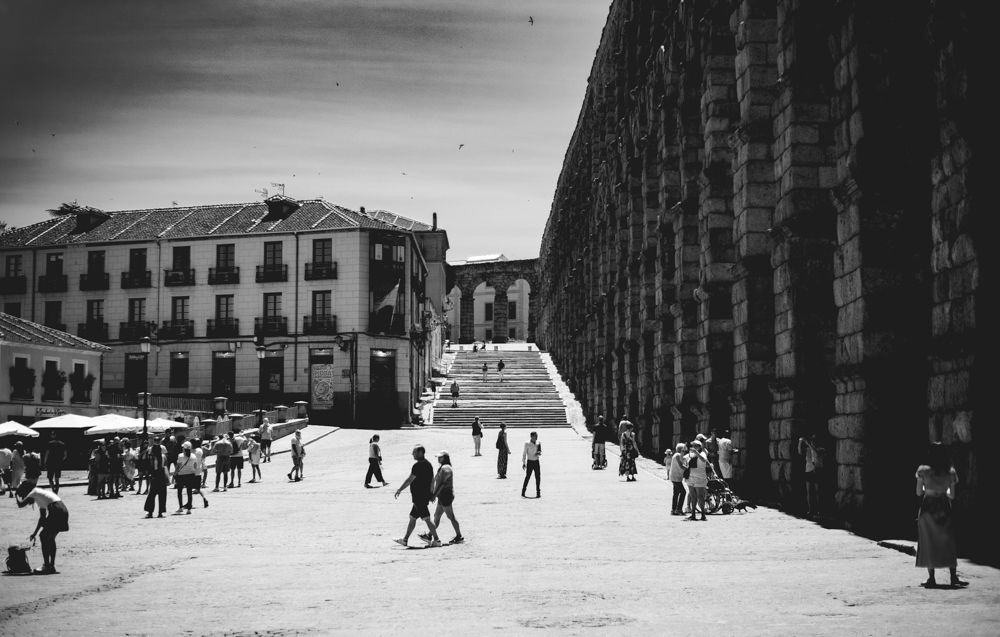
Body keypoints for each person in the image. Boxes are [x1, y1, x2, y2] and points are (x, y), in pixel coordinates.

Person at [915, 443, 967, 588]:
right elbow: (952, 496)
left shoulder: (922, 471)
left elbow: (919, 493)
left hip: (927, 508)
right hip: (944, 506)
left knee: (928, 541)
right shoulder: (950, 472)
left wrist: (927, 487)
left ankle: (931, 578)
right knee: (949, 541)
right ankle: (953, 576)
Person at [15, 482, 69, 574]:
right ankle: (51, 566)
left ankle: (47, 566)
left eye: (24, 495)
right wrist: (34, 533)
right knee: (50, 538)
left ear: (26, 491)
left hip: (55, 509)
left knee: (44, 537)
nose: (25, 497)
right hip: (63, 510)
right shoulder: (41, 495)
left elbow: (20, 505)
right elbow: (42, 518)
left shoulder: (34, 492)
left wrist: (16, 495)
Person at [393, 445, 441, 547]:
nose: (412, 454)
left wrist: (400, 489)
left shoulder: (418, 466)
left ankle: (437, 540)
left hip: (419, 497)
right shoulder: (429, 464)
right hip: (423, 496)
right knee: (412, 518)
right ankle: (405, 540)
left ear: (420, 453)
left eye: (414, 452)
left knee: (427, 519)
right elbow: (432, 481)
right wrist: (431, 494)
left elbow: (410, 480)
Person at [419, 451, 464, 544]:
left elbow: (442, 483)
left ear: (445, 458)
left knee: (450, 516)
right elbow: (439, 483)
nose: (438, 459)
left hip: (446, 495)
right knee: (437, 516)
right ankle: (429, 535)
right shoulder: (442, 468)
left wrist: (434, 495)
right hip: (442, 496)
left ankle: (459, 536)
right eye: (438, 457)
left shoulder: (445, 468)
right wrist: (435, 495)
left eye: (441, 457)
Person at [798, 432, 824, 516]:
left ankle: (820, 510)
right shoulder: (808, 449)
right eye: (812, 440)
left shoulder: (821, 449)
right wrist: (800, 442)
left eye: (814, 440)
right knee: (809, 491)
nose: (813, 442)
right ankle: (811, 510)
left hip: (818, 470)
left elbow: (816, 453)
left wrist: (809, 444)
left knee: (818, 491)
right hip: (809, 470)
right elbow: (800, 452)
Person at [684, 440, 710, 521]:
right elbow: (682, 460)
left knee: (700, 497)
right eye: (693, 445)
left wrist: (696, 453)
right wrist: (683, 450)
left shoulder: (702, 453)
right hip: (690, 478)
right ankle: (693, 514)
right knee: (693, 496)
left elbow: (703, 460)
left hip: (700, 478)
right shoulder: (690, 454)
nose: (694, 447)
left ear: (700, 446)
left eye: (696, 446)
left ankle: (703, 515)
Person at [143, 440, 169, 518]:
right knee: (162, 494)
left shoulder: (152, 458)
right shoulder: (163, 456)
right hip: (162, 476)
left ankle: (150, 511)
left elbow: (150, 467)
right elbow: (166, 464)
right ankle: (160, 512)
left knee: (152, 495)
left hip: (155, 476)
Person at [173, 441, 198, 514]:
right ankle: (189, 509)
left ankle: (180, 507)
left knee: (179, 492)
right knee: (189, 492)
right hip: (190, 475)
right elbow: (195, 466)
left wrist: (174, 474)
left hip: (181, 475)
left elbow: (178, 467)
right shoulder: (193, 456)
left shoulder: (180, 456)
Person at [669, 443, 688, 515]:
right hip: (676, 477)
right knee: (683, 492)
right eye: (684, 449)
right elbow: (681, 466)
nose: (685, 451)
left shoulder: (677, 455)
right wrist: (688, 469)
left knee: (676, 493)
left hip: (675, 477)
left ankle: (673, 509)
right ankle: (679, 509)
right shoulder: (677, 455)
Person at [521, 431, 541, 498]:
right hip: (530, 461)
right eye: (535, 436)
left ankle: (538, 492)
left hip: (536, 461)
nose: (536, 437)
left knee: (538, 477)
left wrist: (539, 453)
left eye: (537, 435)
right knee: (527, 477)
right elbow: (524, 454)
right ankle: (523, 491)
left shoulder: (538, 442)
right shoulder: (527, 443)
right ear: (532, 436)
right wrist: (524, 463)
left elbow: (540, 451)